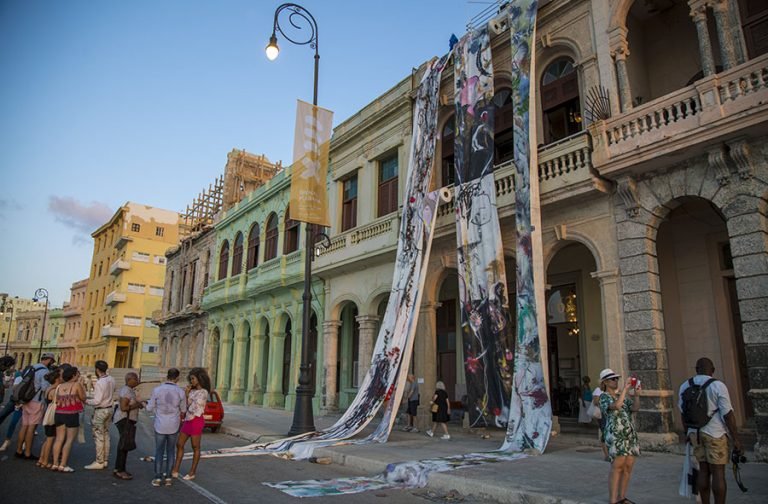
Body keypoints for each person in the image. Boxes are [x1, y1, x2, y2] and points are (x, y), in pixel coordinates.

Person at [678, 357, 742, 504]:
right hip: (715, 434)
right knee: (718, 473)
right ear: (712, 370)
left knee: (703, 470)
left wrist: (686, 433)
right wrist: (736, 439)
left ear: (696, 370)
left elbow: (683, 412)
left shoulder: (685, 386)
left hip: (695, 433)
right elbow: (728, 415)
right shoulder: (718, 386)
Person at [598, 368, 641, 504]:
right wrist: (625, 390)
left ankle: (622, 497)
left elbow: (634, 408)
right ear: (605, 382)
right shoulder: (604, 397)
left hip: (629, 434)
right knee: (617, 466)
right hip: (616, 435)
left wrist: (636, 395)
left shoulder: (621, 396)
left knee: (628, 465)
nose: (616, 380)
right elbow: (616, 406)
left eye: (617, 378)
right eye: (613, 379)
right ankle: (613, 500)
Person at [146, 368, 186, 487]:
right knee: (170, 451)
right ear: (177, 378)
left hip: (160, 424)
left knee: (159, 451)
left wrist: (144, 404)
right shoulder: (180, 392)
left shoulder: (157, 390)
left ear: (167, 376)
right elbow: (183, 409)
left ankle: (158, 477)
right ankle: (168, 477)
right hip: (173, 425)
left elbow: (149, 408)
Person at [171, 367, 211, 481]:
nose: (191, 381)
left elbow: (194, 408)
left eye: (193, 379)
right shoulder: (191, 391)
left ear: (199, 379)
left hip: (196, 420)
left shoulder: (203, 392)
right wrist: (187, 395)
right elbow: (184, 405)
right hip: (188, 420)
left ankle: (192, 472)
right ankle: (175, 469)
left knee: (195, 446)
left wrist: (187, 397)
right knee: (179, 444)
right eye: (191, 379)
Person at [15, 352, 55, 459]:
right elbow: (44, 388)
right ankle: (28, 453)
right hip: (36, 401)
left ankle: (18, 450)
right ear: (49, 360)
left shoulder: (31, 367)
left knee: (24, 426)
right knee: (31, 428)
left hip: (26, 399)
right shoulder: (45, 371)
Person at [51, 365, 85, 472]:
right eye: (77, 373)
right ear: (74, 375)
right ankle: (63, 464)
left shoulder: (60, 386)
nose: (79, 375)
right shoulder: (77, 385)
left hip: (59, 413)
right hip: (72, 413)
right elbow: (83, 397)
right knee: (69, 440)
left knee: (59, 439)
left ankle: (55, 464)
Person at [84, 360, 115, 470]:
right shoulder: (111, 379)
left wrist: (86, 401)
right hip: (109, 409)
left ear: (97, 369)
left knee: (99, 436)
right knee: (106, 434)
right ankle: (105, 459)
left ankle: (99, 460)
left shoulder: (100, 382)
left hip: (101, 410)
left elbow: (97, 401)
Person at [113, 372, 144, 480]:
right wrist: (137, 405)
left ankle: (119, 468)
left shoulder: (130, 390)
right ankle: (120, 470)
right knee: (124, 445)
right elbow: (124, 407)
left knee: (124, 445)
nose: (137, 380)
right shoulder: (126, 390)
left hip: (128, 420)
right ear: (129, 380)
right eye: (135, 379)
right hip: (124, 420)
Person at [37, 367, 62, 469]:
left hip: (47, 415)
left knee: (47, 439)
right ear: (57, 378)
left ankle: (41, 459)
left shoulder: (49, 388)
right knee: (50, 439)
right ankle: (45, 461)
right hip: (52, 416)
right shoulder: (55, 390)